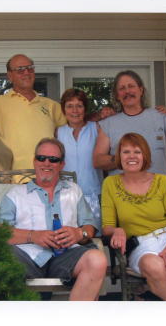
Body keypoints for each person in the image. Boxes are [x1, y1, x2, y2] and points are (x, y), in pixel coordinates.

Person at [0, 138, 107, 301]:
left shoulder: (73, 190)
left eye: (53, 159)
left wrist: (79, 233)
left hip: (68, 255)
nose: (47, 163)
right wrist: (33, 236)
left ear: (62, 164)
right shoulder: (16, 194)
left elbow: (89, 226)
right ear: (34, 161)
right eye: (41, 158)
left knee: (97, 260)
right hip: (27, 257)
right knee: (0, 256)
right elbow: (0, 231)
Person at [102, 133, 166, 301]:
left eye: (137, 152)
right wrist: (117, 230)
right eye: (126, 152)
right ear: (119, 156)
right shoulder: (110, 184)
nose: (132, 156)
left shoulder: (162, 181)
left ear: (145, 155)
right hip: (142, 244)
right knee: (154, 266)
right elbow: (107, 226)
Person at [93, 70, 166, 176]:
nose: (127, 91)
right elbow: (98, 160)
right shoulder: (108, 124)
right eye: (122, 88)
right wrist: (125, 159)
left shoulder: (160, 117)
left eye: (131, 86)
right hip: (121, 191)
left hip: (157, 190)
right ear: (117, 95)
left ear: (141, 90)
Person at [56, 89, 103, 234]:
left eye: (79, 105)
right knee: (70, 237)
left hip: (93, 195)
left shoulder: (96, 128)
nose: (75, 110)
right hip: (66, 196)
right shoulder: (58, 132)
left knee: (93, 238)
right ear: (64, 109)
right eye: (70, 106)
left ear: (85, 108)